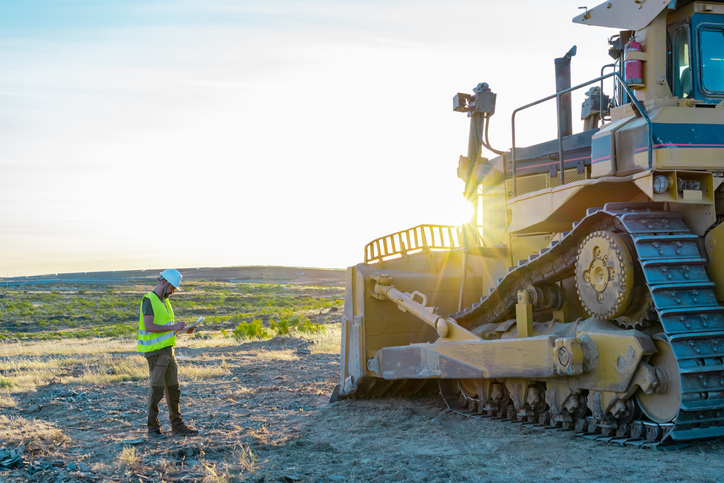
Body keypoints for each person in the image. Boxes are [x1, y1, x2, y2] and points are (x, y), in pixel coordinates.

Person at [138, 269, 199, 439]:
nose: (173, 292)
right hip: (156, 353)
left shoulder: (164, 301)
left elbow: (164, 329)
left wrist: (183, 330)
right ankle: (153, 429)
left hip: (168, 350)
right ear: (164, 283)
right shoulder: (149, 300)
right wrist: (174, 327)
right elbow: (149, 327)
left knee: (173, 388)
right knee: (156, 390)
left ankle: (177, 426)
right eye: (172, 288)